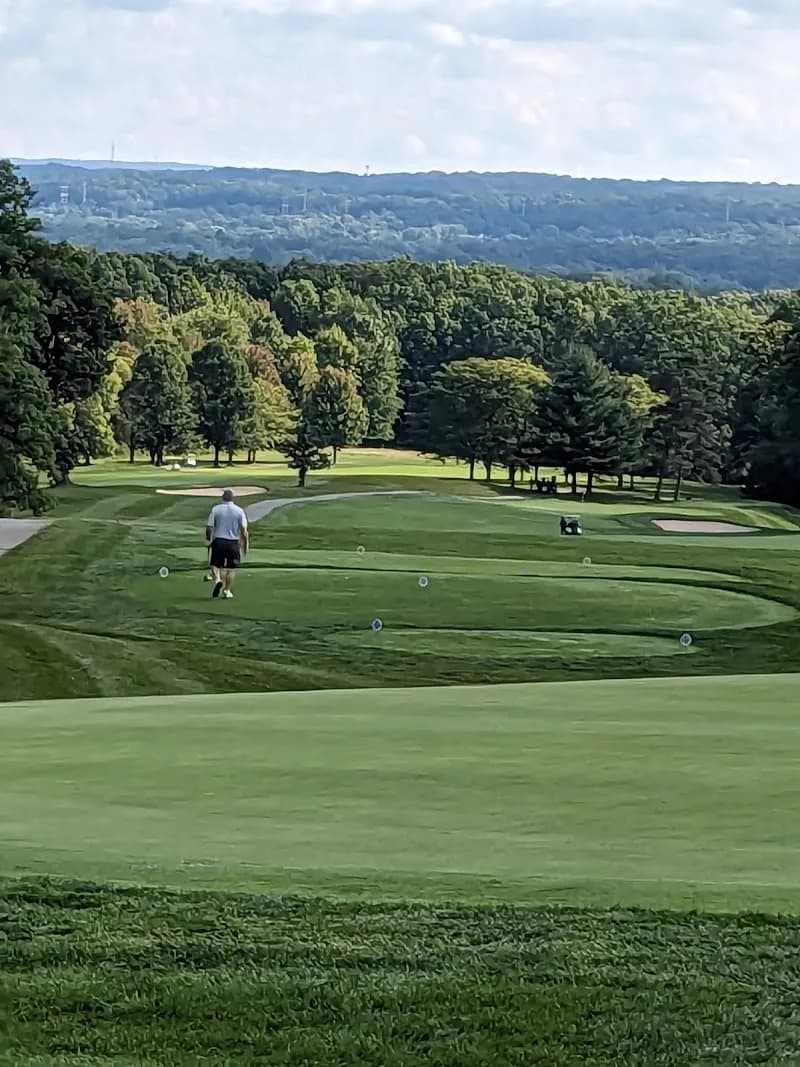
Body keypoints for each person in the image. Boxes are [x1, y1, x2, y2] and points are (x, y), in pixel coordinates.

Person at [206, 489, 249, 599]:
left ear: (222, 498)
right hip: (233, 543)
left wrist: (208, 540)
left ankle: (217, 581)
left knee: (215, 565)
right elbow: (244, 530)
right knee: (231, 568)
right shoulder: (239, 511)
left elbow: (210, 527)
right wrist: (245, 545)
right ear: (232, 498)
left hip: (219, 541)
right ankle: (226, 590)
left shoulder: (216, 509)